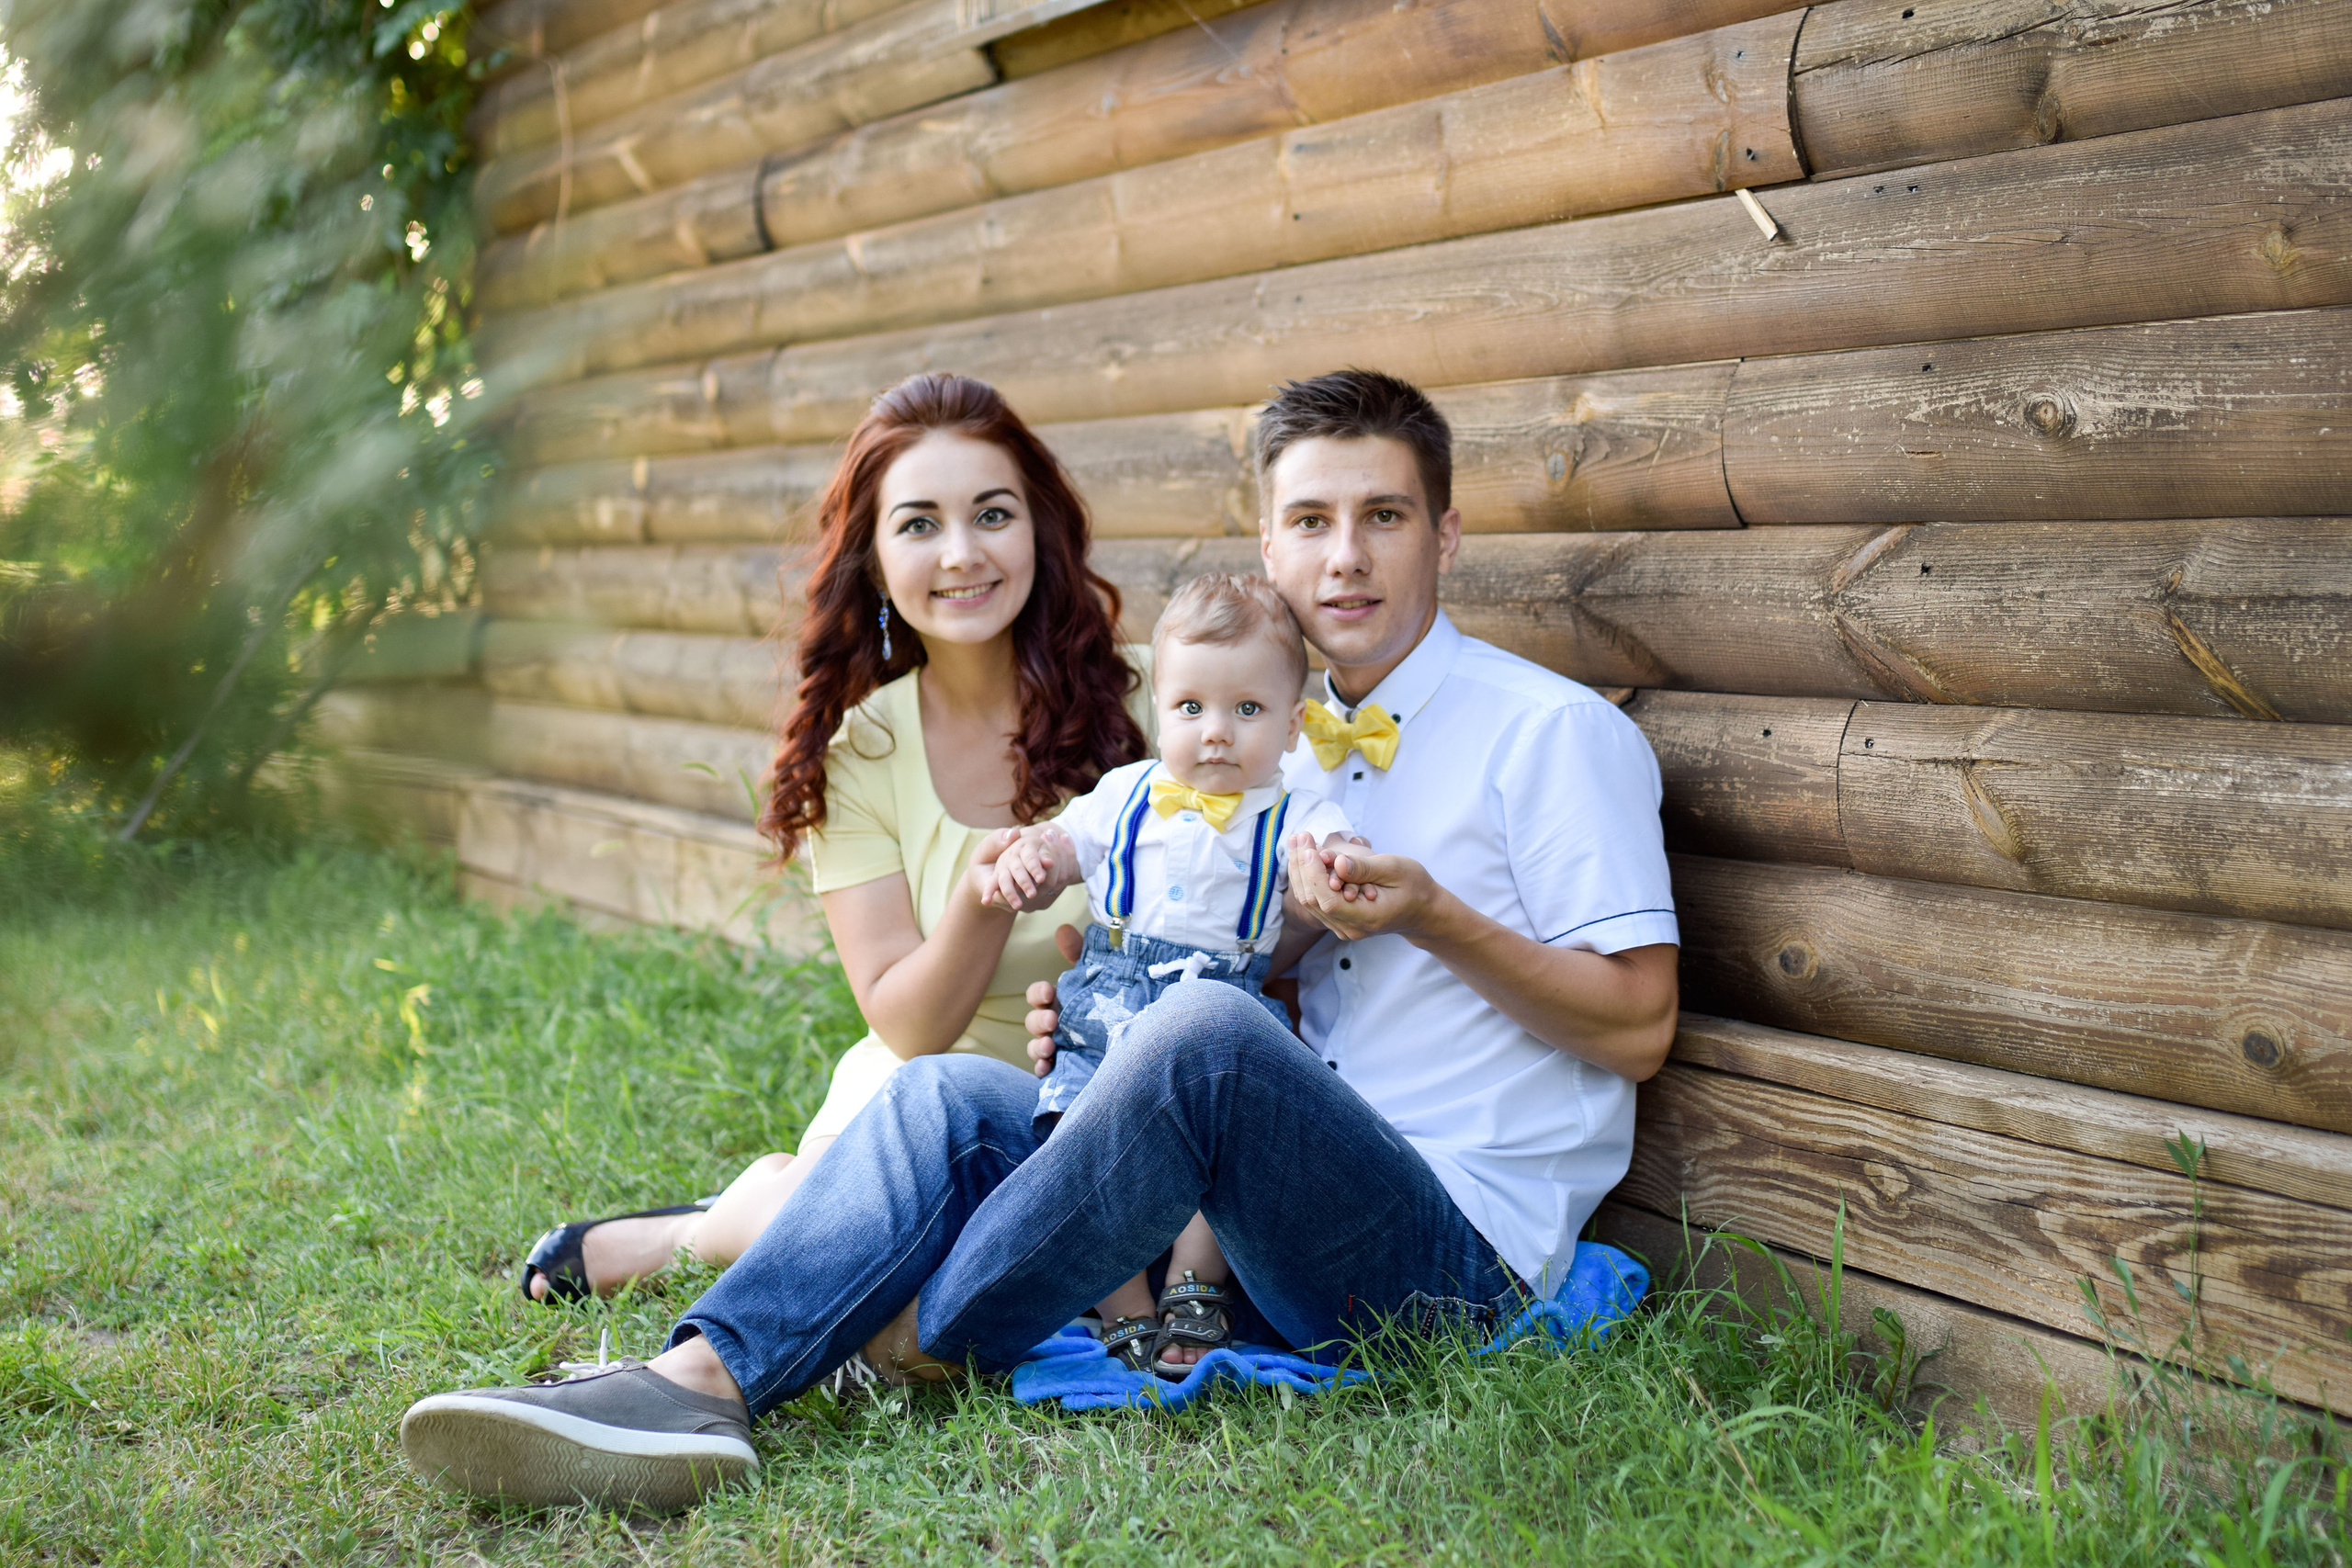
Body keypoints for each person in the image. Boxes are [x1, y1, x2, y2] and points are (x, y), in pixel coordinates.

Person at [401, 369, 1680, 1515]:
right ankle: (692, 1378)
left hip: (1445, 1252)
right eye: (1310, 521)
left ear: (1445, 532)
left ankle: (920, 1326)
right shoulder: (1264, 749)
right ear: (1268, 549)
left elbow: (1636, 1026)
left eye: (1385, 516)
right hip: (1265, 1217)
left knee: (1203, 1032)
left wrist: (1434, 915)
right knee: (951, 1087)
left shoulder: (1550, 735)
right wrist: (1106, 1029)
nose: (1345, 556)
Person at [509, 370, 1149, 1305]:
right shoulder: (863, 754)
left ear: (1040, 532)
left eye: (993, 514)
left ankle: (748, 1213)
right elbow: (910, 1025)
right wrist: (981, 898)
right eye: (919, 523)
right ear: (878, 561)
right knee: (911, 1269)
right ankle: (702, 1230)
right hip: (925, 1104)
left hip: (1104, 1105)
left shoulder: (1153, 706)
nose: (962, 552)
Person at [982, 571, 1355, 1377]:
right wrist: (1032, 862)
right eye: (1191, 708)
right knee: (1084, 1138)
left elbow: (1333, 847)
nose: (1215, 733)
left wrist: (1337, 865)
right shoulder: (1122, 794)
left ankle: (1195, 1284)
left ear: (1294, 726)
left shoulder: (1293, 813)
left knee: (1228, 1144)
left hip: (1223, 1001)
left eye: (1246, 710)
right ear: (1160, 712)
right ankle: (1123, 1305)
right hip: (1111, 993)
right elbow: (1060, 845)